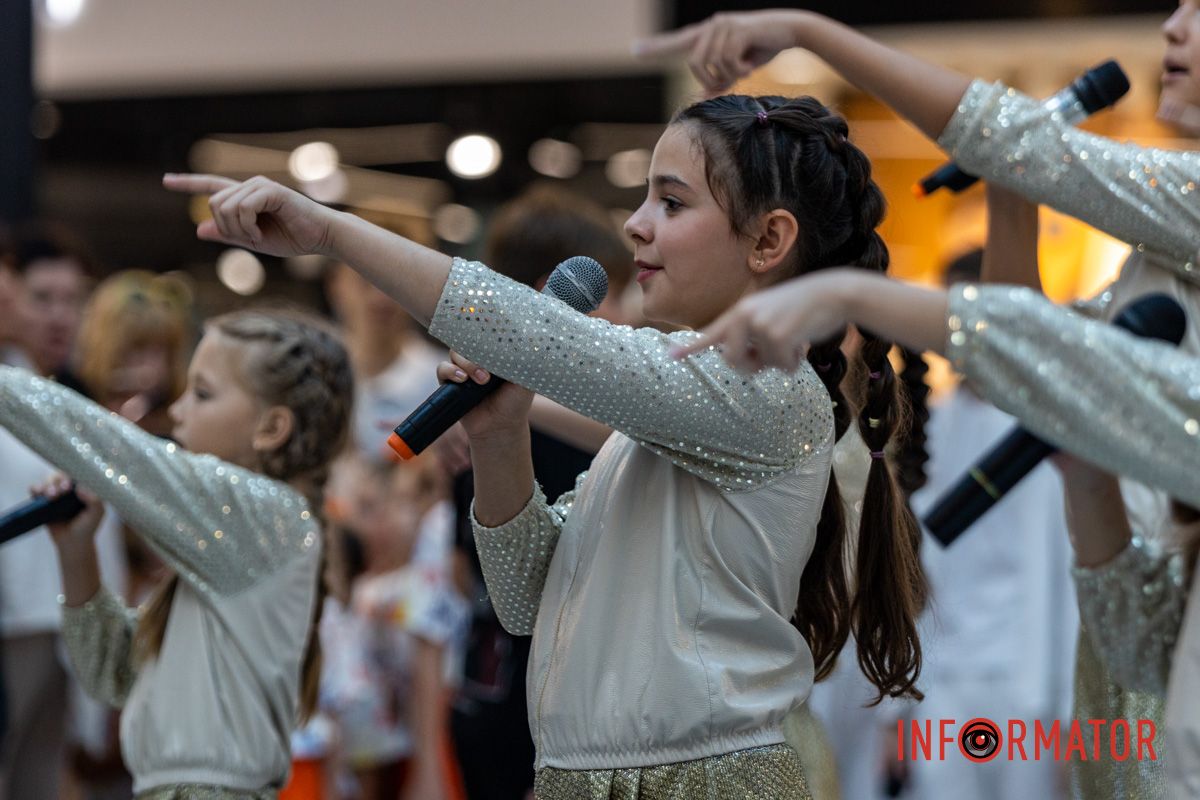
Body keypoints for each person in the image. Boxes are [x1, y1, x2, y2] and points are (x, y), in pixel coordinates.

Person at [164, 87, 929, 798]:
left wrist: (331, 231)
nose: (635, 224)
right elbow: (529, 598)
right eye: (645, 198)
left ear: (768, 239)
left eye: (671, 201)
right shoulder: (659, 425)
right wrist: (499, 437)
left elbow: (520, 326)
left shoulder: (772, 390)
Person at [12, 307, 353, 798]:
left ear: (271, 427)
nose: (177, 411)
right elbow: (113, 675)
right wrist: (77, 552)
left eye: (202, 393)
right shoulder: (230, 546)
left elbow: (115, 450)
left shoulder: (272, 518)